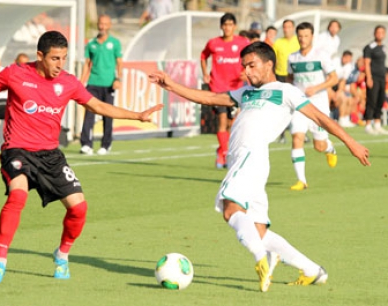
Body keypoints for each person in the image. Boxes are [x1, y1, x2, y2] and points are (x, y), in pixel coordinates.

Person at [0, 30, 163, 284]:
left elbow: (98, 106)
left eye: (64, 58)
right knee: (18, 194)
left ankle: (62, 254)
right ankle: (0, 262)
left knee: (79, 208)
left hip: (50, 155)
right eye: (55, 58)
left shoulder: (68, 82)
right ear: (40, 56)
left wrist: (138, 116)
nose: (60, 64)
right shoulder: (17, 73)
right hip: (17, 149)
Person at [149, 41, 370, 293]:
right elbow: (211, 97)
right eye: (244, 67)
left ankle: (260, 257)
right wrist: (171, 85)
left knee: (230, 208)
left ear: (269, 64)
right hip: (247, 161)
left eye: (252, 65)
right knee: (259, 231)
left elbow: (320, 117)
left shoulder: (287, 91)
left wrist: (350, 142)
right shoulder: (245, 92)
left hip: (250, 154)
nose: (247, 72)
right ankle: (311, 270)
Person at [287, 22, 338, 191]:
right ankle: (302, 181)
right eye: (300, 36)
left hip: (318, 105)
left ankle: (329, 148)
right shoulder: (292, 57)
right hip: (299, 105)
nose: (303, 39)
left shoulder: (321, 55)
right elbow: (289, 78)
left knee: (319, 146)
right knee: (297, 138)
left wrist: (316, 88)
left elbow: (333, 78)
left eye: (306, 36)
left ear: (312, 37)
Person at [200, 13, 250, 169]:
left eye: (230, 24)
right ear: (221, 27)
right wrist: (205, 73)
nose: (227, 27)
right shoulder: (214, 43)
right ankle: (226, 154)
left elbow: (251, 57)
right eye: (225, 25)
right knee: (222, 121)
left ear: (234, 26)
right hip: (218, 88)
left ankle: (221, 150)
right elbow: (203, 56)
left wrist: (246, 71)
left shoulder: (242, 42)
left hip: (236, 89)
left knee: (231, 124)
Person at [80, 14, 123, 156]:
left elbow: (119, 63)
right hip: (93, 83)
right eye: (100, 24)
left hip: (108, 84)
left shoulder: (115, 43)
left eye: (105, 24)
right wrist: (81, 82)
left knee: (107, 115)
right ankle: (86, 144)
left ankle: (106, 144)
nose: (102, 27)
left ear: (109, 26)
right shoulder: (91, 43)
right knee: (89, 114)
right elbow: (87, 64)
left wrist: (118, 79)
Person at [363, 25, 388, 135]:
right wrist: (369, 78)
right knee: (371, 101)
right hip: (373, 77)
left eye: (382, 32)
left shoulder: (383, 47)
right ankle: (368, 124)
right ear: (374, 33)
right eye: (378, 32)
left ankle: (377, 124)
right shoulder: (369, 47)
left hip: (382, 78)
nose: (380, 34)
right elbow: (367, 63)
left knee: (380, 100)